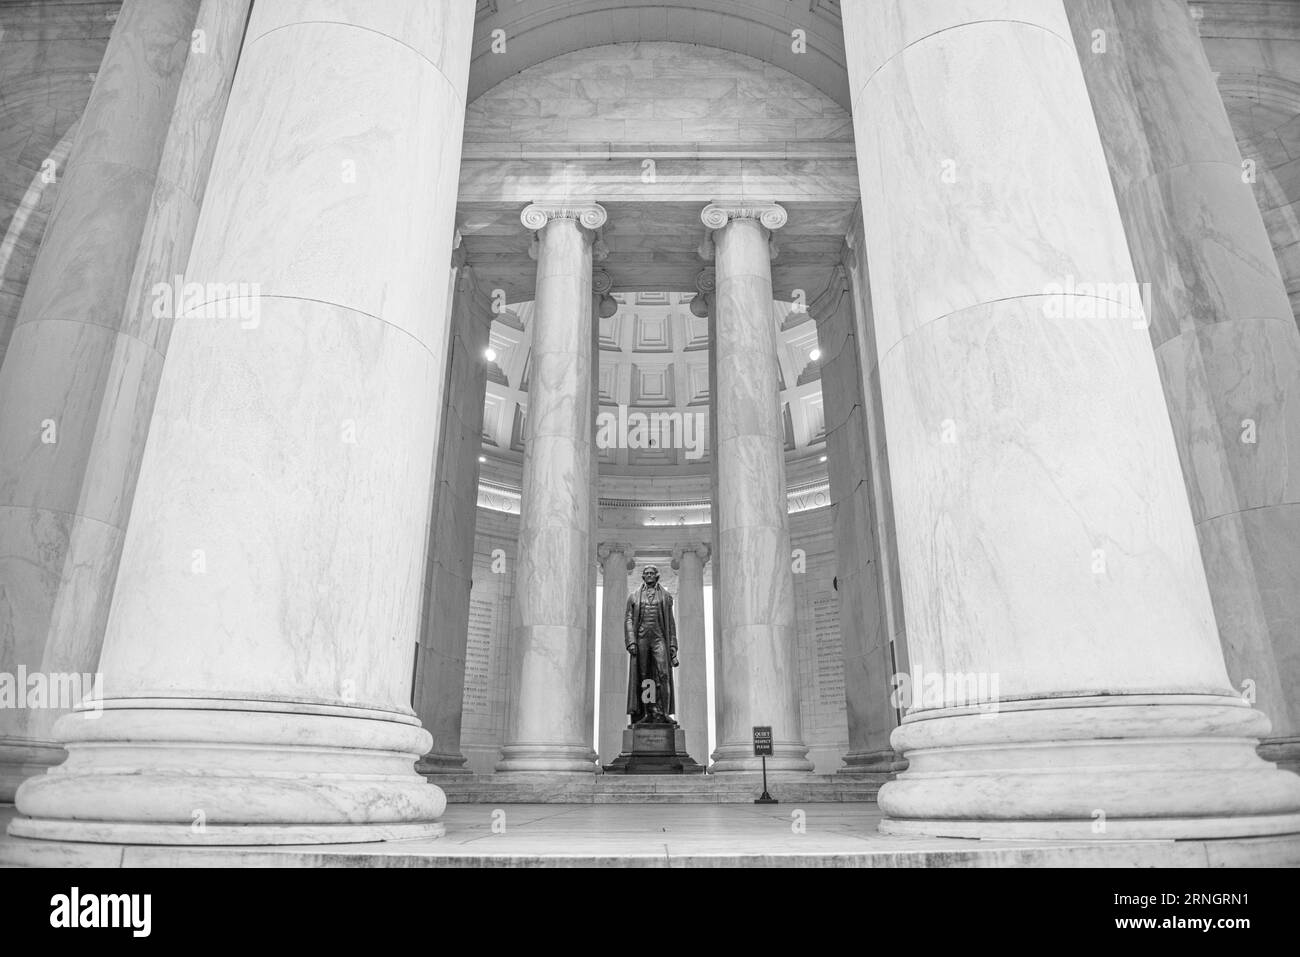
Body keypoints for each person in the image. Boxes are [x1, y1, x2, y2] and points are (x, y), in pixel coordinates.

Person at [623, 564, 678, 724]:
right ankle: (647, 713)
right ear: (643, 577)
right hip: (641, 638)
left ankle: (663, 712)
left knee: (664, 674)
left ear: (657, 576)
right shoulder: (633, 597)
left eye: (652, 573)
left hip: (659, 637)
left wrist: (673, 644)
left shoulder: (666, 597)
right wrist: (631, 641)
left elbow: (671, 622)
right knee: (644, 677)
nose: (649, 575)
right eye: (646, 573)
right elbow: (628, 619)